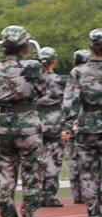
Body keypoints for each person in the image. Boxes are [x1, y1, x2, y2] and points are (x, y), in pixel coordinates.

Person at [0, 26, 50, 217]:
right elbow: (44, 92)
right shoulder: (34, 67)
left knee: (6, 178)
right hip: (28, 124)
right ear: (24, 45)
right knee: (32, 177)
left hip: (4, 125)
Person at [62, 30, 102, 217]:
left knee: (89, 174)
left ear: (90, 46)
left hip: (88, 126)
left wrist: (67, 126)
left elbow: (70, 102)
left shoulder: (79, 72)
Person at [37, 47, 66, 208]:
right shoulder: (60, 81)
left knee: (37, 160)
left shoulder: (33, 79)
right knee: (53, 160)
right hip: (55, 121)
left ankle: (37, 193)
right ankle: (50, 194)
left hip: (36, 121)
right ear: (53, 60)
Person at [67, 49, 91, 204]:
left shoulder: (75, 75)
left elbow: (70, 102)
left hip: (80, 123)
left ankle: (78, 194)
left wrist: (69, 125)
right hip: (90, 123)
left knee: (75, 161)